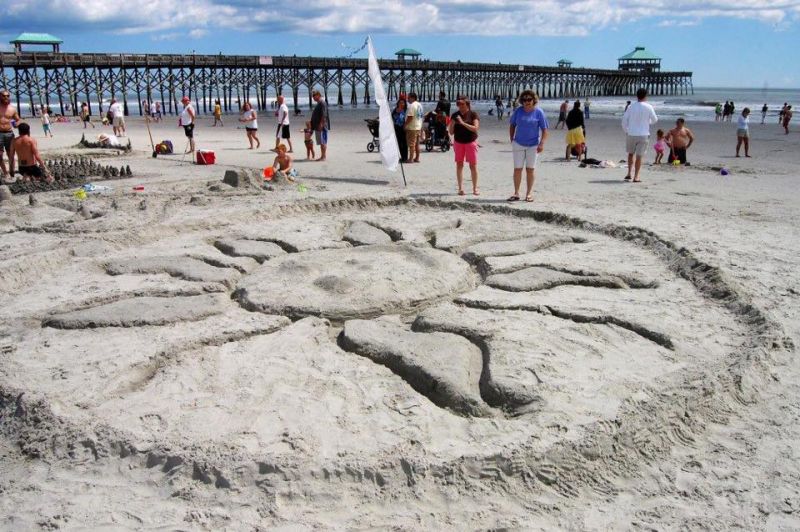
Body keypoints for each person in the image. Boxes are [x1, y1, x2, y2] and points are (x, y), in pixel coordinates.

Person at [508, 90, 548, 202]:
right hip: (518, 144)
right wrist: (512, 139)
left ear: (534, 100)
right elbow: (512, 125)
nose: (527, 102)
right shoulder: (518, 111)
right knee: (517, 169)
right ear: (522, 101)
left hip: (533, 145)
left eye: (529, 99)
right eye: (524, 100)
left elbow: (545, 130)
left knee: (530, 169)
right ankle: (516, 193)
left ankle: (528, 193)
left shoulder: (539, 112)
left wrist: (542, 143)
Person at [621, 87, 658, 183]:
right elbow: (655, 120)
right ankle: (636, 176)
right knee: (639, 156)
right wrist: (648, 122)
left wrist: (626, 131)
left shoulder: (631, 107)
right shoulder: (649, 106)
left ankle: (629, 173)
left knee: (630, 154)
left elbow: (624, 121)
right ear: (645, 96)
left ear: (637, 96)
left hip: (631, 133)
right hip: (643, 134)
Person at [448, 95, 480, 196]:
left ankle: (475, 188)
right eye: (458, 104)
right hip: (458, 142)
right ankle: (460, 188)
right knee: (459, 164)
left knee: (473, 165)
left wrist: (462, 123)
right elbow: (451, 132)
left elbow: (475, 128)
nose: (460, 106)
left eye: (462, 104)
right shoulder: (455, 115)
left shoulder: (473, 114)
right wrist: (453, 123)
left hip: (470, 142)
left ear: (467, 104)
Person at [0, 89, 21, 181]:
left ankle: (12, 172)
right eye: (4, 96)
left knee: (11, 154)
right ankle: (5, 173)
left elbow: (18, 119)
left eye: (7, 96)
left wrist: (17, 124)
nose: (6, 97)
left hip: (9, 133)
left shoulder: (12, 109)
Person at [404, 92, 423, 163]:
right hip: (418, 126)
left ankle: (411, 159)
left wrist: (405, 125)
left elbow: (410, 117)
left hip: (412, 127)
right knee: (417, 143)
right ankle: (417, 158)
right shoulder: (420, 105)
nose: (407, 99)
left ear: (413, 98)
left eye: (408, 97)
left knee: (411, 144)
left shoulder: (412, 105)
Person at [310, 90, 329, 161]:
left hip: (322, 126)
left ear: (318, 95)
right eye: (312, 96)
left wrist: (321, 124)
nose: (313, 97)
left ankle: (323, 157)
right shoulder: (319, 103)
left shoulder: (322, 103)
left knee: (323, 141)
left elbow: (324, 115)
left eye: (314, 96)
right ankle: (322, 156)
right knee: (321, 142)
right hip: (318, 126)